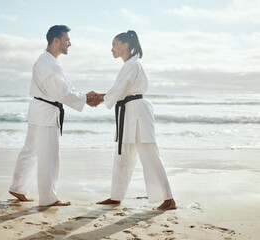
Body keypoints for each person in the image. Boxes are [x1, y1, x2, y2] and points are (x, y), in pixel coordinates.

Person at [9, 25, 101, 206]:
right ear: (56, 40)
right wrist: (85, 99)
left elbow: (65, 87)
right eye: (67, 39)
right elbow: (61, 91)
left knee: (31, 151)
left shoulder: (49, 61)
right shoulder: (48, 63)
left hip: (41, 110)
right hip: (45, 113)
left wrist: (84, 96)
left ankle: (18, 187)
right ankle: (49, 199)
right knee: (48, 156)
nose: (70, 44)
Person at [95, 30, 176, 210]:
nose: (112, 49)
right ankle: (116, 196)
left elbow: (120, 89)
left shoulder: (132, 65)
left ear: (125, 45)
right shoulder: (128, 66)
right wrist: (103, 97)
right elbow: (119, 89)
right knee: (122, 155)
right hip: (128, 111)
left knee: (150, 154)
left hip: (138, 112)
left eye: (114, 45)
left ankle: (168, 198)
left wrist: (100, 98)